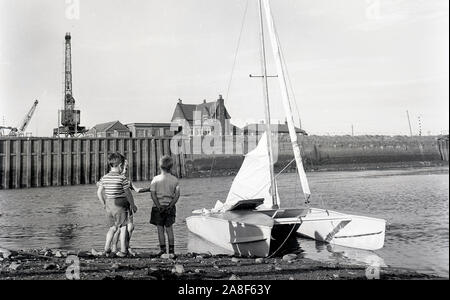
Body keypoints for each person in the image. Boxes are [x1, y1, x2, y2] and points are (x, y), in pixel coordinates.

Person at [136, 155, 180, 256]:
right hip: (170, 206)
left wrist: (158, 205)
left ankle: (163, 250)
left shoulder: (155, 179)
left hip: (157, 207)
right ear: (171, 167)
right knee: (169, 229)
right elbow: (177, 195)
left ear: (160, 166)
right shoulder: (175, 180)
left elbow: (153, 194)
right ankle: (172, 251)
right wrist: (170, 205)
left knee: (160, 229)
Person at [97, 153, 138, 257]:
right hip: (120, 205)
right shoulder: (122, 178)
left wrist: (104, 204)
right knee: (123, 227)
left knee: (112, 228)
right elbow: (128, 193)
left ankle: (107, 248)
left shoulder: (104, 178)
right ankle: (123, 250)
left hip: (109, 205)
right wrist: (133, 205)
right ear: (120, 165)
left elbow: (99, 193)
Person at [110, 155, 136, 256]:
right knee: (119, 228)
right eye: (124, 168)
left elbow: (136, 189)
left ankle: (126, 246)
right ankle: (114, 247)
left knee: (130, 228)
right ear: (120, 167)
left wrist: (150, 189)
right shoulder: (117, 178)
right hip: (119, 207)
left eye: (127, 169)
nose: (125, 171)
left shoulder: (127, 180)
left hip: (128, 208)